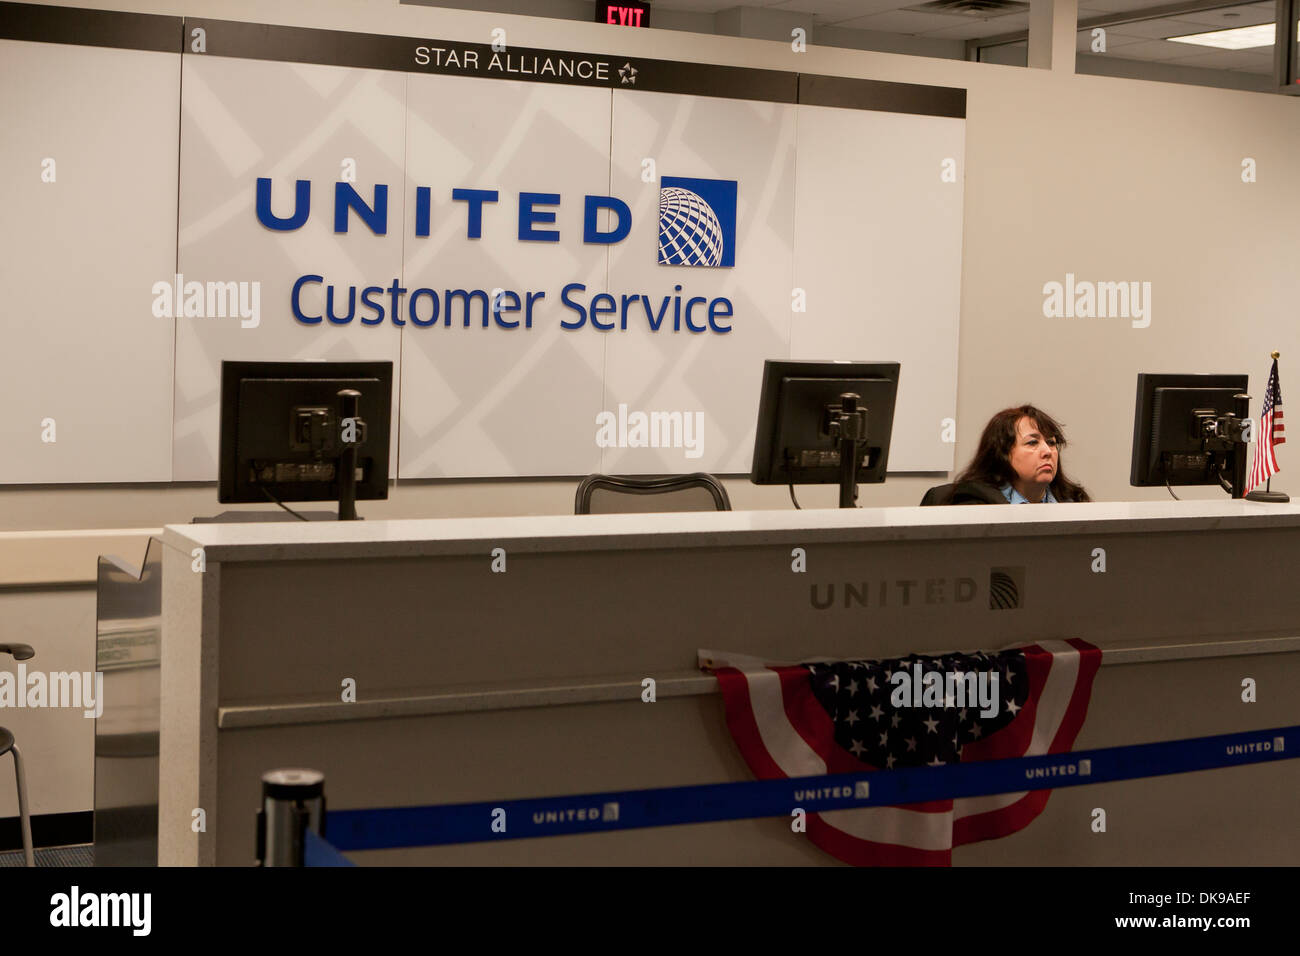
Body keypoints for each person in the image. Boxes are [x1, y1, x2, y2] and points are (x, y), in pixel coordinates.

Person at [921, 405, 1091, 505]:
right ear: (1002, 453)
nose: (1047, 452)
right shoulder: (969, 503)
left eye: (1051, 443)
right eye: (1032, 443)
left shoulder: (1075, 503)